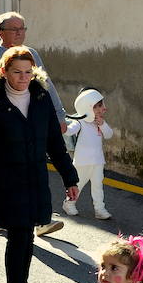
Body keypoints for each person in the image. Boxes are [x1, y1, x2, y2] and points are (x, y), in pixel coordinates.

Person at [0, 47, 79, 283]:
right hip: (7, 182)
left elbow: (55, 143)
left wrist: (70, 178)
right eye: (17, 72)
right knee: (18, 237)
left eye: (28, 72)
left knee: (26, 238)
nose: (23, 78)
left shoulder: (40, 97)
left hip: (35, 180)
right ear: (4, 72)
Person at [0, 12, 68, 155]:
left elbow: (46, 86)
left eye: (22, 29)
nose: (19, 33)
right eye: (14, 29)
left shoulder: (31, 54)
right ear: (1, 33)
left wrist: (59, 117)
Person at [63, 88, 114, 221]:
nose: (101, 109)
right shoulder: (81, 122)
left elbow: (109, 134)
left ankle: (99, 209)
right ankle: (69, 204)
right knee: (77, 185)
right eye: (96, 106)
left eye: (101, 105)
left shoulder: (100, 122)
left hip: (98, 161)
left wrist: (102, 125)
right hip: (82, 162)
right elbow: (70, 130)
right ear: (87, 107)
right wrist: (64, 128)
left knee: (98, 186)